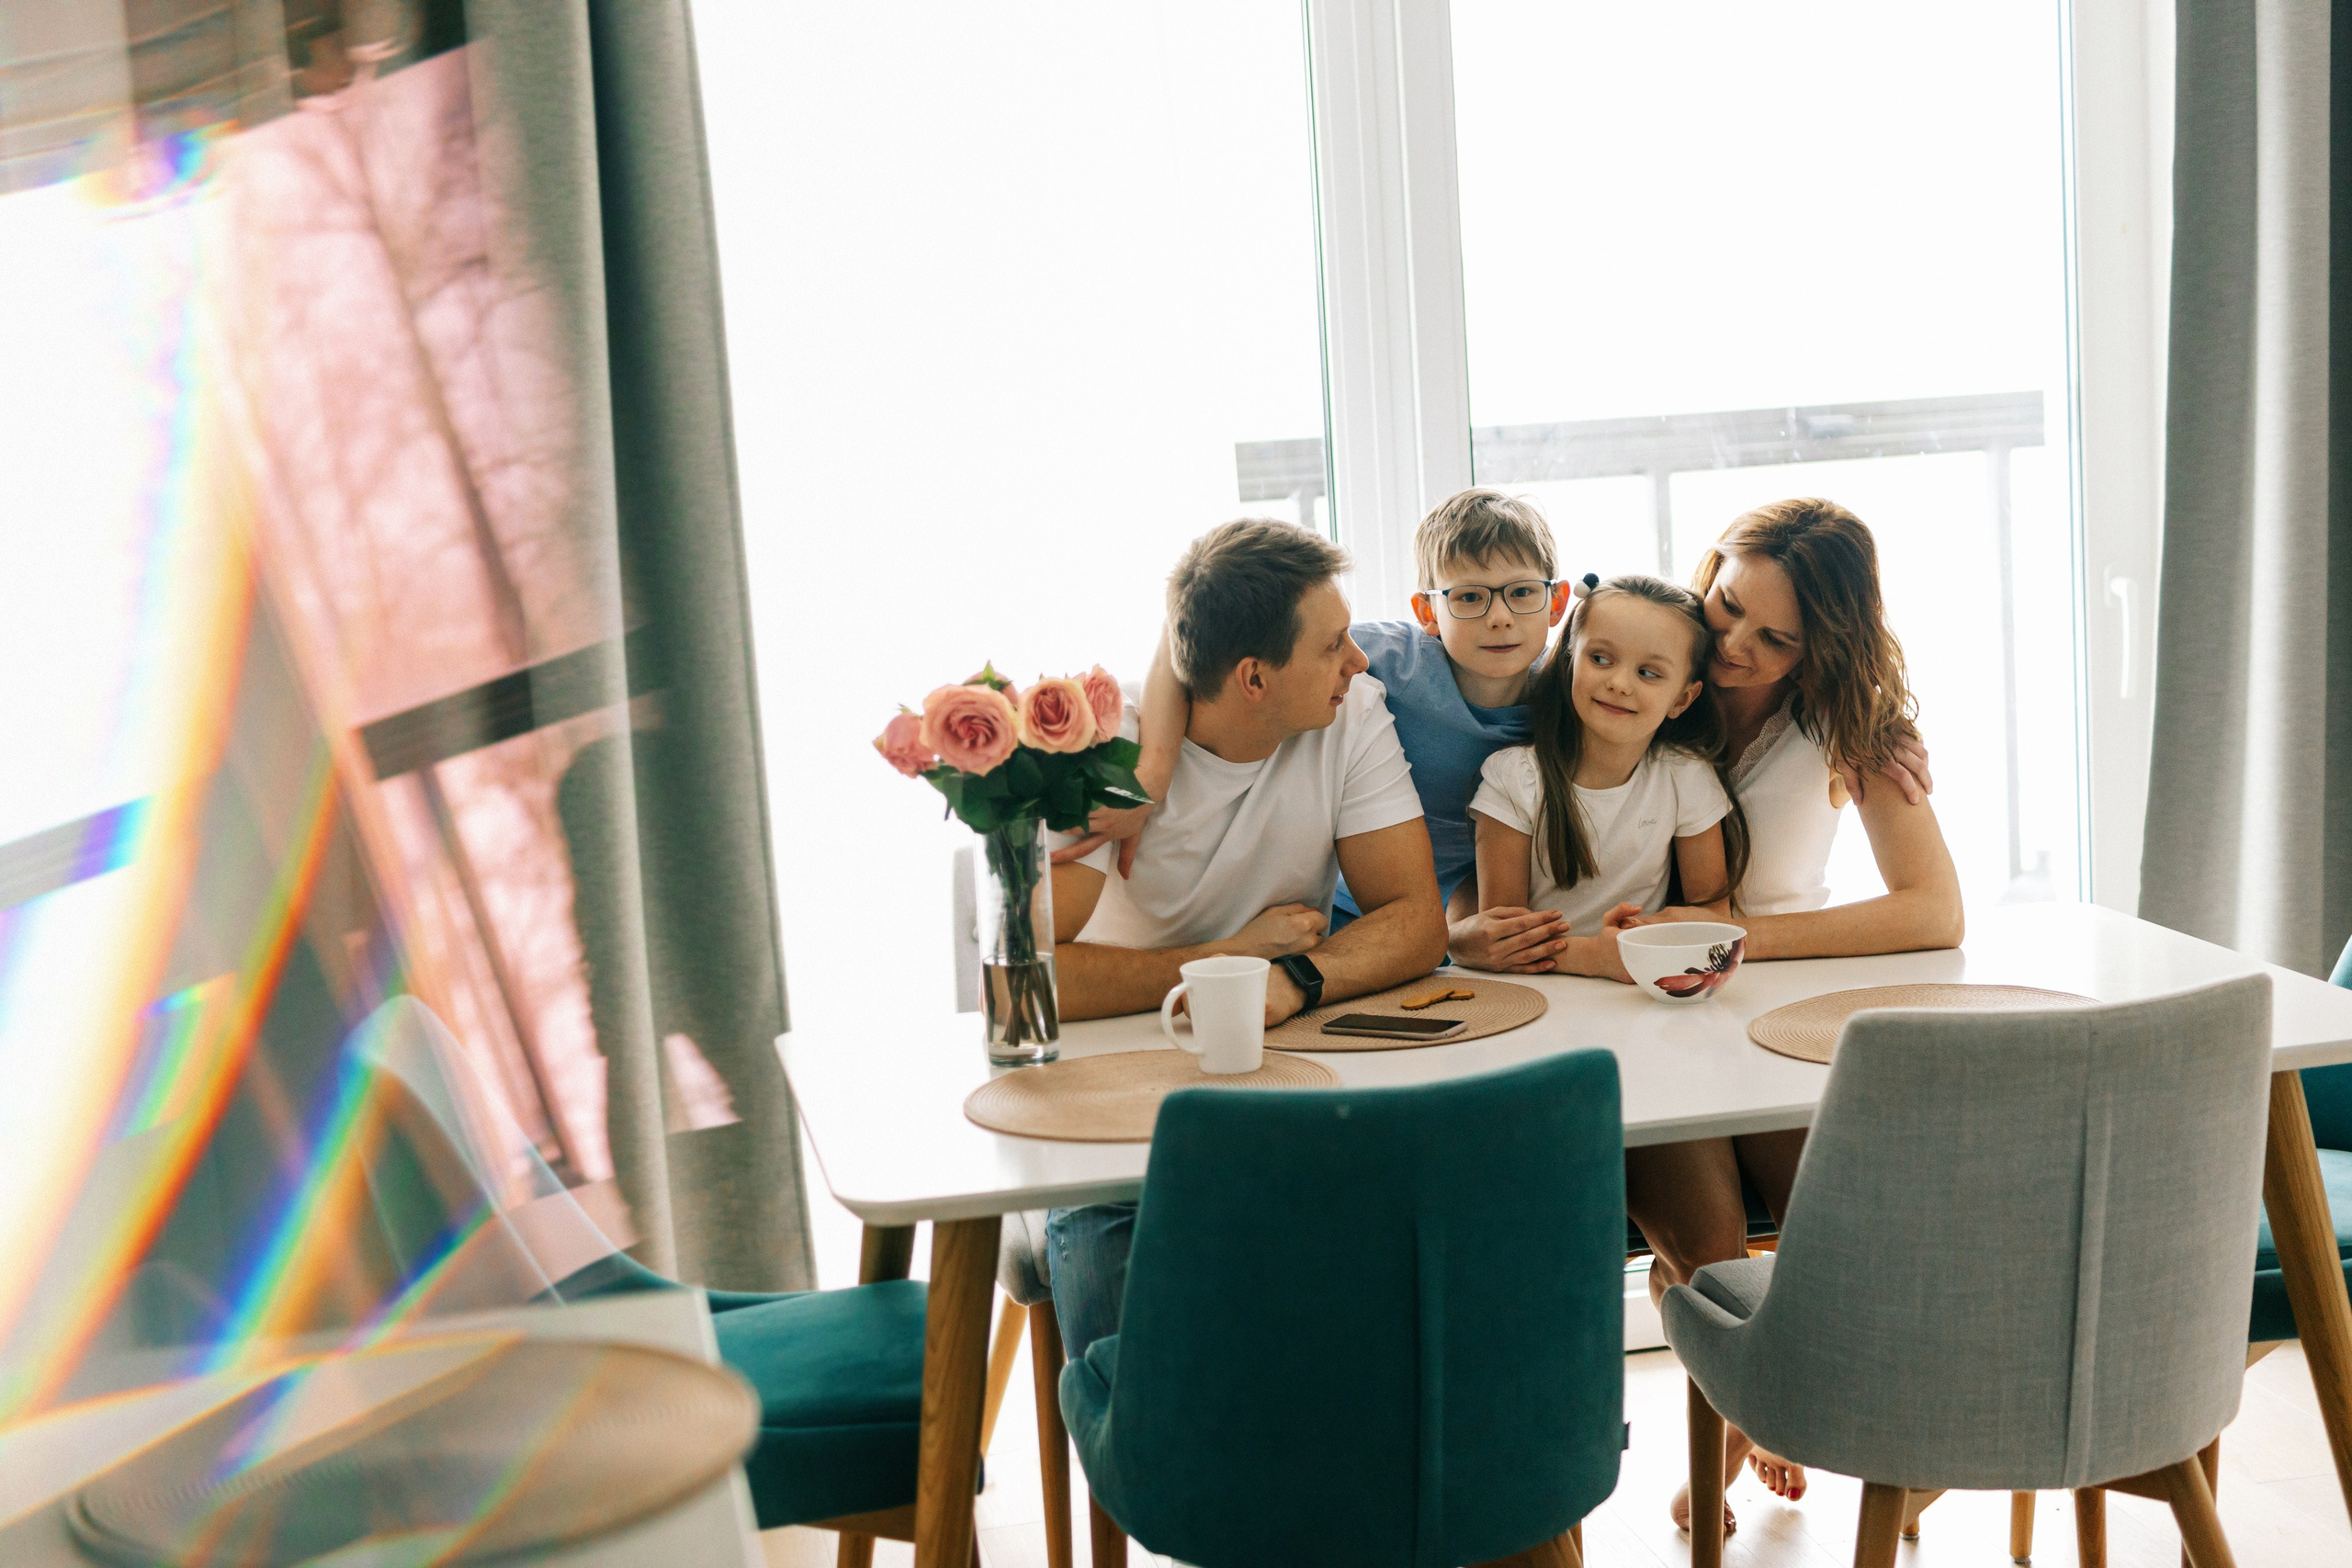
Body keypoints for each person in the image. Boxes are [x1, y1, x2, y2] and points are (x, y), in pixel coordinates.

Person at [1622, 497, 1963, 1530]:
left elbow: (1930, 907)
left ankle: (1779, 1424)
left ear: (1824, 643)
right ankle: (1738, 1427)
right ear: (1710, 568)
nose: (1735, 649)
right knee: (1716, 1262)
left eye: (1776, 639)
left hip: (1773, 1022)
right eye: (1728, 609)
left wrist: (1735, 936)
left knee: (1840, 1251)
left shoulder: (1845, 722)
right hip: (1639, 1022)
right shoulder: (1641, 663)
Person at [1043, 517, 1450, 1361]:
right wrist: (1228, 959)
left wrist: (1293, 975)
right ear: (1254, 677)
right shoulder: (1104, 743)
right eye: (1334, 645)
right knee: (1141, 1361)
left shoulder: (1351, 714)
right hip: (1117, 1128)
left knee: (1410, 1294)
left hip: (1292, 1091)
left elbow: (1416, 921)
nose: (1360, 661)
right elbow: (1033, 983)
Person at [1065, 488, 1584, 976]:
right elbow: (1196, 638)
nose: (1500, 619)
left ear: (1555, 603)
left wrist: (1455, 929)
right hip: (1343, 909)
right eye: (1469, 598)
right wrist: (1152, 773)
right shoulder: (1381, 663)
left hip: (1446, 916)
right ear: (1428, 611)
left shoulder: (1572, 697)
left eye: (1521, 594)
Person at [1466, 573, 1741, 975]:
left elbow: (1713, 911)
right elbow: (1505, 940)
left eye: (1649, 673)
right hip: (1540, 990)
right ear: (1569, 661)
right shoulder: (1513, 779)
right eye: (1600, 659)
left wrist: (1642, 940)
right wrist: (1594, 957)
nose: (1618, 683)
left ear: (1682, 698)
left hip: (1644, 983)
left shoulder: (1686, 776)